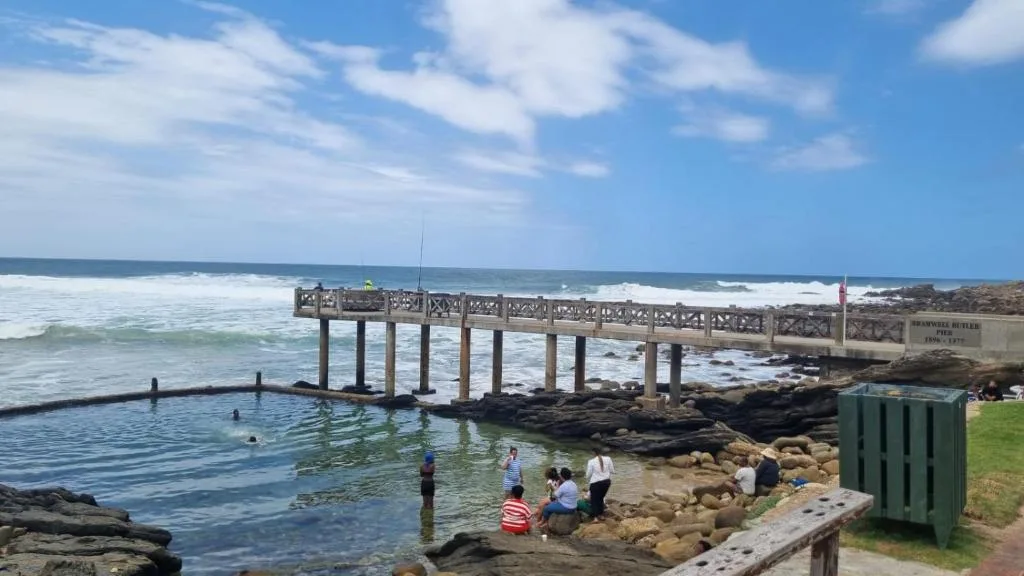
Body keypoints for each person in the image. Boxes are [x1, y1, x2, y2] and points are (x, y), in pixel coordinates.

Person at [585, 447, 614, 522]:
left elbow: (588, 475)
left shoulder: (591, 461)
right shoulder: (608, 459)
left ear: (593, 453)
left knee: (594, 500)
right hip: (606, 482)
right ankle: (601, 515)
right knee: (600, 498)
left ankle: (595, 518)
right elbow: (612, 471)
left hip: (596, 484)